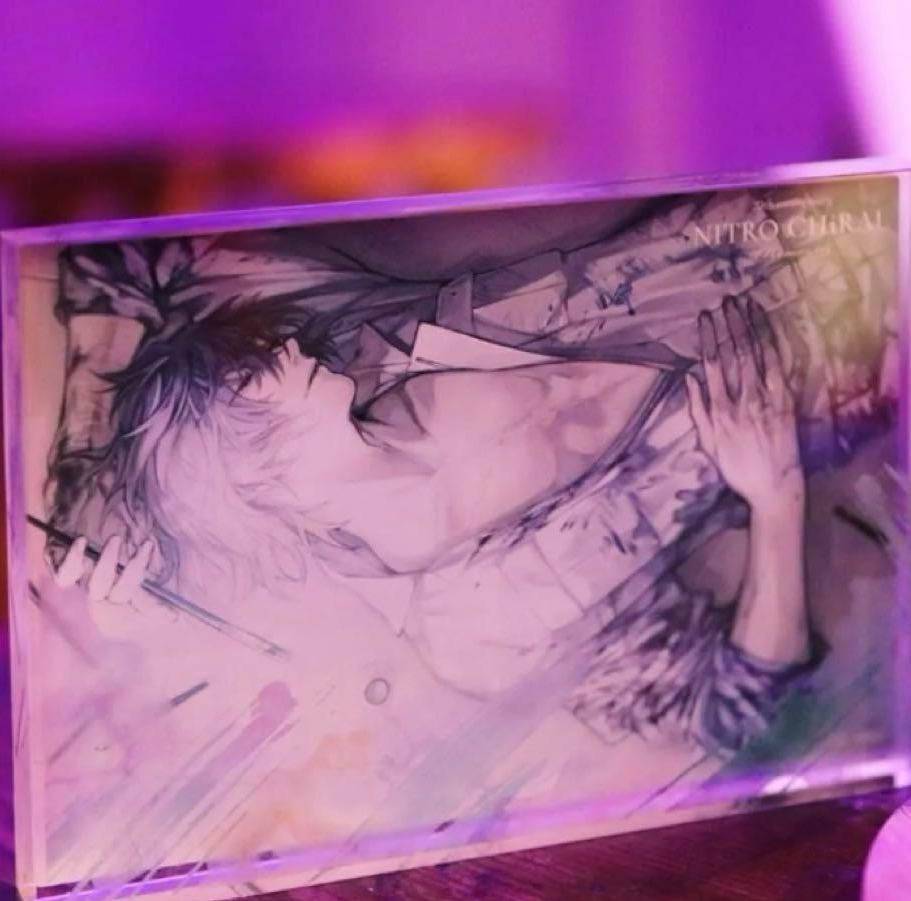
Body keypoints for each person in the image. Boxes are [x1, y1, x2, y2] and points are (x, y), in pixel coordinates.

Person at [48, 228, 815, 760]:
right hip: (857, 367)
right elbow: (739, 712)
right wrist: (777, 501)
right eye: (245, 376)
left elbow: (114, 258)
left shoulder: (358, 337)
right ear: (249, 479)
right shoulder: (481, 625)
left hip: (795, 233)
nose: (277, 347)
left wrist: (78, 475)